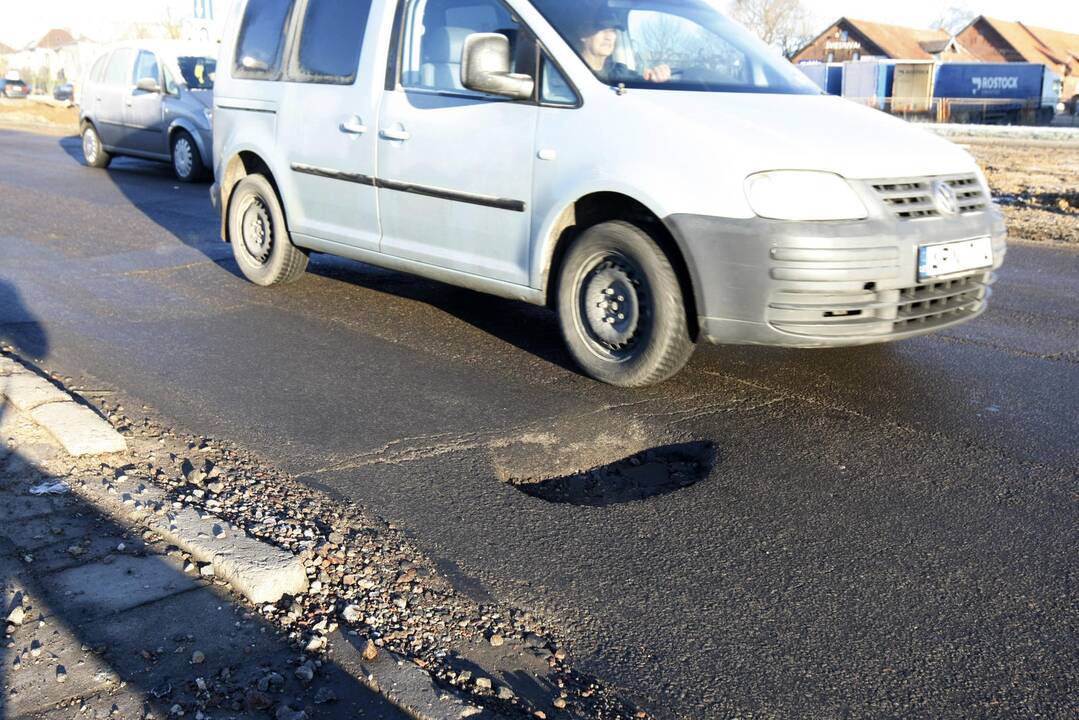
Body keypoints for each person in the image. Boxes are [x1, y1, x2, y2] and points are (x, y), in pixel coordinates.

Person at [576, 9, 672, 84]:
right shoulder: (567, 71)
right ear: (583, 34)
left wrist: (658, 77)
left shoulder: (620, 73)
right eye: (602, 29)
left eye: (613, 31)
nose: (609, 37)